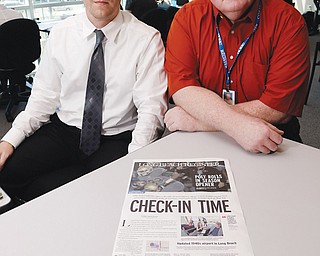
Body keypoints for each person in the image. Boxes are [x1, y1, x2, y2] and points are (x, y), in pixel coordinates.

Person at [0, 0, 167, 206]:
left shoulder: (146, 38)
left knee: (114, 195)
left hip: (117, 137)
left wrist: (135, 162)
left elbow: (151, 109)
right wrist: (9, 140)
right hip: (64, 132)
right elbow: (43, 98)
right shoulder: (61, 34)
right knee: (7, 172)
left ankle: (74, 189)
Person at [164, 0, 310, 154]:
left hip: (271, 139)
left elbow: (277, 108)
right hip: (203, 141)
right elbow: (183, 88)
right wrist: (236, 124)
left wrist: (197, 121)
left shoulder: (287, 20)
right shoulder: (187, 17)